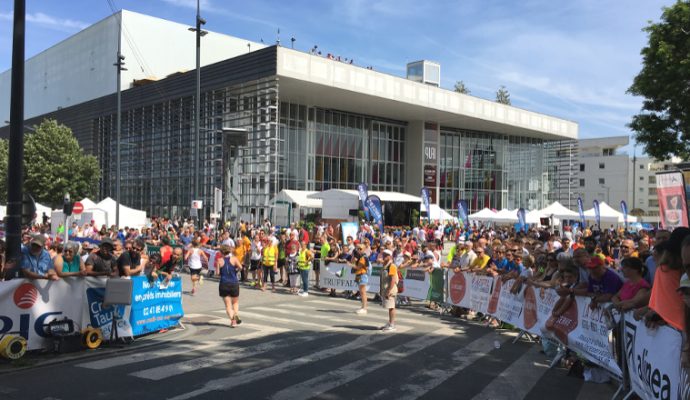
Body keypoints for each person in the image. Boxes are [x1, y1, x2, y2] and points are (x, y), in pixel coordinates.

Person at [216, 244, 243, 327]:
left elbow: (217, 273)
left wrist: (222, 272)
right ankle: (235, 314)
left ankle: (233, 321)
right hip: (234, 282)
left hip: (224, 283)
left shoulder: (219, 260)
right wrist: (235, 270)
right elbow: (241, 267)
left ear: (221, 252)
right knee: (235, 302)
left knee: (228, 305)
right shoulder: (234, 258)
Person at [380, 249, 399, 332]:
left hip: (390, 289)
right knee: (389, 307)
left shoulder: (392, 266)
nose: (384, 256)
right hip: (386, 288)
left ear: (390, 256)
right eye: (383, 254)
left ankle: (392, 324)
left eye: (386, 255)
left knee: (391, 307)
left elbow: (393, 280)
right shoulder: (386, 265)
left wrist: (388, 290)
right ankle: (390, 322)